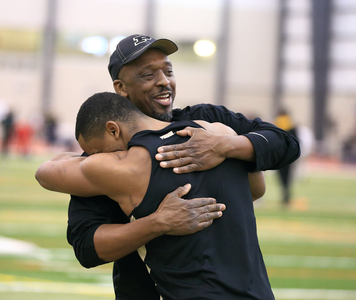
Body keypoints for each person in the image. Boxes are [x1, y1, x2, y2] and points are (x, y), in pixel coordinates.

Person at [65, 34, 300, 299]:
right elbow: (87, 247)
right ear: (121, 88)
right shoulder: (110, 154)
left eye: (168, 71)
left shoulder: (209, 121)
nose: (164, 81)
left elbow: (286, 144)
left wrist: (224, 146)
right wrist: (157, 223)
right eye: (148, 75)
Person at [37, 92, 274, 299]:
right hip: (259, 293)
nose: (94, 156)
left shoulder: (126, 166)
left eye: (95, 151)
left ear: (113, 129)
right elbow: (256, 190)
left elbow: (46, 172)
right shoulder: (222, 132)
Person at [274, 108, 298, 208]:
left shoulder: (277, 123)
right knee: (288, 178)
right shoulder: (292, 125)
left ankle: (284, 197)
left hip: (279, 155)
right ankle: (287, 197)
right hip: (290, 155)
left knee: (282, 177)